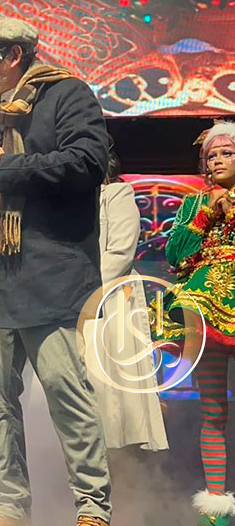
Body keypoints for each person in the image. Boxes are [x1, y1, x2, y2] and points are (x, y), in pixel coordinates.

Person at [0, 16, 113, 526]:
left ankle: (94, 511)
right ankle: (10, 510)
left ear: (13, 56)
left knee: (64, 387)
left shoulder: (66, 96)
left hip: (47, 274)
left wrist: (11, 167)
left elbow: (89, 161)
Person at [161, 121, 235, 526]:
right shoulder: (193, 205)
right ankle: (216, 507)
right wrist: (207, 213)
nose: (218, 160)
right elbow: (175, 254)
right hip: (204, 312)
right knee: (213, 410)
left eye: (227, 153)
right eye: (212, 155)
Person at [83, 142, 168, 453]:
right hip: (70, 303)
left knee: (110, 392)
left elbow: (120, 252)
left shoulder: (116, 194)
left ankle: (119, 469)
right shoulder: (67, 203)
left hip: (108, 300)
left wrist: (82, 291)